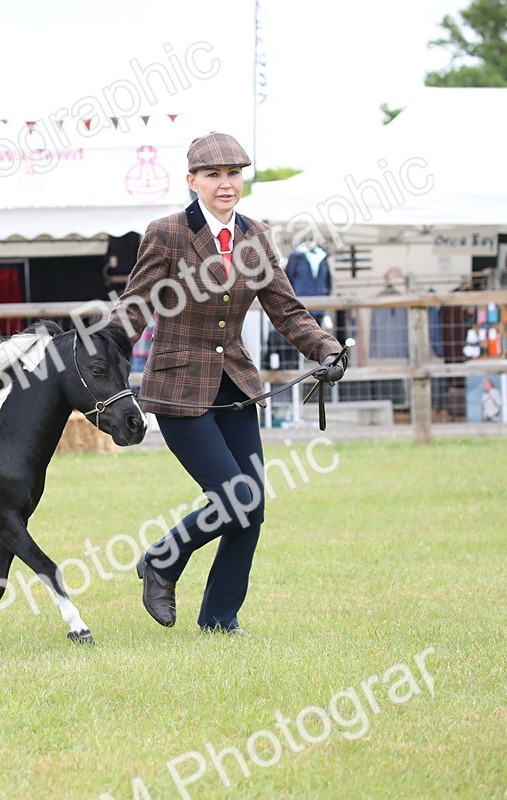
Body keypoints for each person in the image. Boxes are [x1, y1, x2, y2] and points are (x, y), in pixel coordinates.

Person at [112, 131, 347, 636]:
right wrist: (105, 359)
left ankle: (219, 618)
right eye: (213, 175)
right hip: (177, 387)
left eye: (234, 174)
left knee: (252, 507)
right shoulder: (167, 232)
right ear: (192, 180)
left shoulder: (256, 236)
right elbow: (135, 307)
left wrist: (325, 347)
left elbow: (286, 309)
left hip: (236, 387)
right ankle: (161, 560)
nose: (225, 184)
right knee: (235, 497)